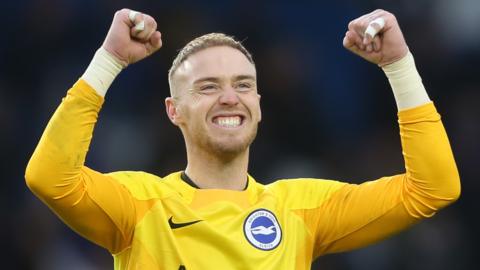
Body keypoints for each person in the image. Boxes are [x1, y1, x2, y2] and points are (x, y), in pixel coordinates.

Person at [25, 8, 460, 270]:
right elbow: (50, 177)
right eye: (208, 86)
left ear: (259, 105)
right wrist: (109, 62)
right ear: (173, 111)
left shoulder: (301, 210)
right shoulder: (139, 205)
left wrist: (399, 66)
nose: (230, 97)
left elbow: (432, 188)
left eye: (243, 85)